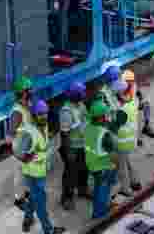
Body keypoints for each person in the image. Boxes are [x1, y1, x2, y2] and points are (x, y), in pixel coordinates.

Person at [15, 99, 66, 234]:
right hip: (33, 174)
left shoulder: (43, 125)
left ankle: (27, 218)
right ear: (34, 115)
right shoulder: (28, 132)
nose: (44, 116)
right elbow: (17, 151)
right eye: (40, 114)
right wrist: (26, 158)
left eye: (45, 113)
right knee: (41, 203)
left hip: (40, 171)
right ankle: (48, 230)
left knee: (34, 197)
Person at [85, 100, 120, 220]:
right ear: (100, 117)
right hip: (103, 167)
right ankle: (100, 214)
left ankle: (100, 210)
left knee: (98, 189)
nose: (107, 117)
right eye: (105, 115)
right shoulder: (104, 134)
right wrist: (116, 165)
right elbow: (113, 155)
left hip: (92, 165)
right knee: (103, 191)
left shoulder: (88, 128)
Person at [59, 82, 89, 210]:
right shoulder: (66, 111)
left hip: (83, 145)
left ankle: (83, 189)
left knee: (84, 170)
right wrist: (68, 151)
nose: (84, 94)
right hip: (72, 147)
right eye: (82, 92)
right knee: (70, 174)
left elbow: (85, 121)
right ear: (75, 95)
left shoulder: (81, 105)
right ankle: (67, 197)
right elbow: (64, 134)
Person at [9, 77, 34, 216]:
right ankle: (19, 199)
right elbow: (11, 133)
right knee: (19, 175)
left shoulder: (27, 105)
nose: (31, 91)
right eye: (29, 90)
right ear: (23, 93)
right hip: (20, 150)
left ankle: (27, 192)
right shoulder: (17, 112)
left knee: (28, 173)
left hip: (28, 147)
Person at [113, 78, 142, 196]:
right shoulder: (133, 102)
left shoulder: (121, 110)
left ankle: (126, 189)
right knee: (128, 161)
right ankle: (135, 182)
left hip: (122, 141)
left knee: (122, 166)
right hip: (131, 139)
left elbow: (114, 126)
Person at [122, 69, 154, 140]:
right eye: (129, 80)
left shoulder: (133, 85)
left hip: (133, 104)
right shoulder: (121, 88)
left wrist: (141, 99)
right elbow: (123, 100)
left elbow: (138, 93)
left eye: (132, 80)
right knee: (137, 114)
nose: (132, 82)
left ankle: (146, 126)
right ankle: (137, 136)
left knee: (146, 104)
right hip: (126, 107)